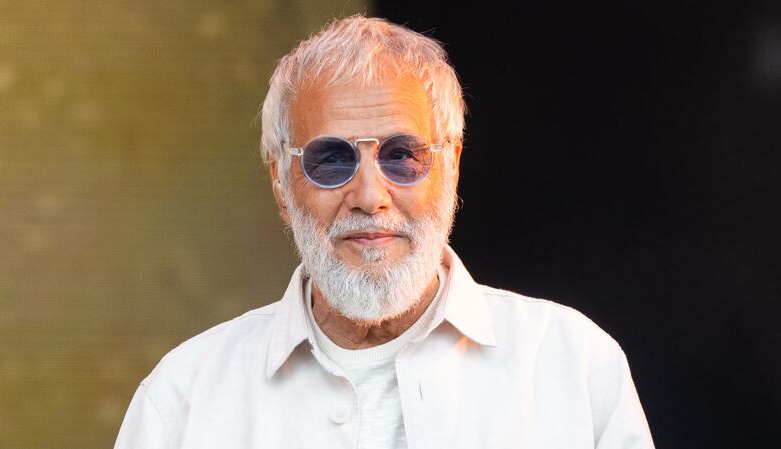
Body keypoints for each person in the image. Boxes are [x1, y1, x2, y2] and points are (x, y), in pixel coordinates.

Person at [114, 15, 655, 449]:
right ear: (281, 184)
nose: (371, 197)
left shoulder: (575, 369)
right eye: (330, 160)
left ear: (453, 166)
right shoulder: (184, 400)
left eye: (403, 156)